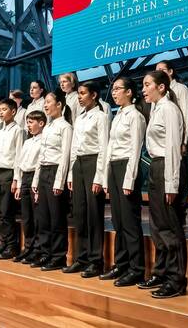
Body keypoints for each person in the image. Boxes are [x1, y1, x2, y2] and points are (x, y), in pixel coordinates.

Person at [140, 70, 186, 299]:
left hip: (167, 166)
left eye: (147, 84)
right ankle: (161, 272)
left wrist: (172, 183)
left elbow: (173, 148)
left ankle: (176, 279)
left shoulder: (169, 109)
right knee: (157, 226)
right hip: (156, 167)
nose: (144, 89)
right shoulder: (156, 108)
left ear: (161, 87)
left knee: (170, 227)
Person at [103, 76, 148, 287]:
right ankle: (121, 264)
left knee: (130, 222)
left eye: (118, 89)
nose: (114, 93)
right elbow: (111, 147)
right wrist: (106, 178)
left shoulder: (136, 116)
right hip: (114, 167)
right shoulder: (118, 115)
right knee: (118, 221)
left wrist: (129, 179)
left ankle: (136, 269)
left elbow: (135, 150)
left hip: (127, 169)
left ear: (129, 92)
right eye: (113, 89)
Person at [64, 81, 110, 278]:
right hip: (79, 165)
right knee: (80, 213)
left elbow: (104, 146)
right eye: (79, 94)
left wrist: (100, 176)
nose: (80, 97)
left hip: (93, 163)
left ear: (94, 95)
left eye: (83, 93)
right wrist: (71, 173)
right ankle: (81, 258)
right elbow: (74, 147)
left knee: (93, 214)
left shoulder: (101, 116)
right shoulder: (80, 118)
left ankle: (95, 260)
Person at [31, 89, 73, 271]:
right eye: (45, 102)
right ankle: (45, 253)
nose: (45, 105)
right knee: (43, 217)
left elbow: (65, 155)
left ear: (59, 105)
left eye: (48, 102)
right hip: (44, 172)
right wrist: (35, 180)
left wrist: (59, 181)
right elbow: (42, 155)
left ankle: (57, 257)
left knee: (57, 218)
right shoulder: (47, 127)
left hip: (57, 172)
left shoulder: (66, 127)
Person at [155, 61, 188, 226]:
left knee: (179, 176)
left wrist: (183, 141)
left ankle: (180, 215)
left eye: (162, 70)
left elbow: (185, 115)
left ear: (171, 71)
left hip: (177, 140)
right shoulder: (158, 94)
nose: (160, 73)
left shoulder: (180, 89)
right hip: (162, 144)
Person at [0, 99, 25, 259]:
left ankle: (12, 246)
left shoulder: (18, 130)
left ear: (13, 111)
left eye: (4, 109)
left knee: (8, 212)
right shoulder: (0, 130)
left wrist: (16, 179)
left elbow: (19, 156)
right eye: (0, 109)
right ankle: (3, 244)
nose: (1, 112)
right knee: (0, 213)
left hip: (10, 173)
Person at [13, 110, 46, 264]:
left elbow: (40, 162)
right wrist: (19, 184)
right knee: (26, 217)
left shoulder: (44, 140)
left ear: (41, 123)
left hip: (36, 176)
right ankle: (28, 248)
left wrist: (36, 183)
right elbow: (20, 162)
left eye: (31, 122)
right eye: (27, 122)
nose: (28, 125)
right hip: (25, 177)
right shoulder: (27, 141)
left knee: (37, 216)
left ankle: (38, 250)